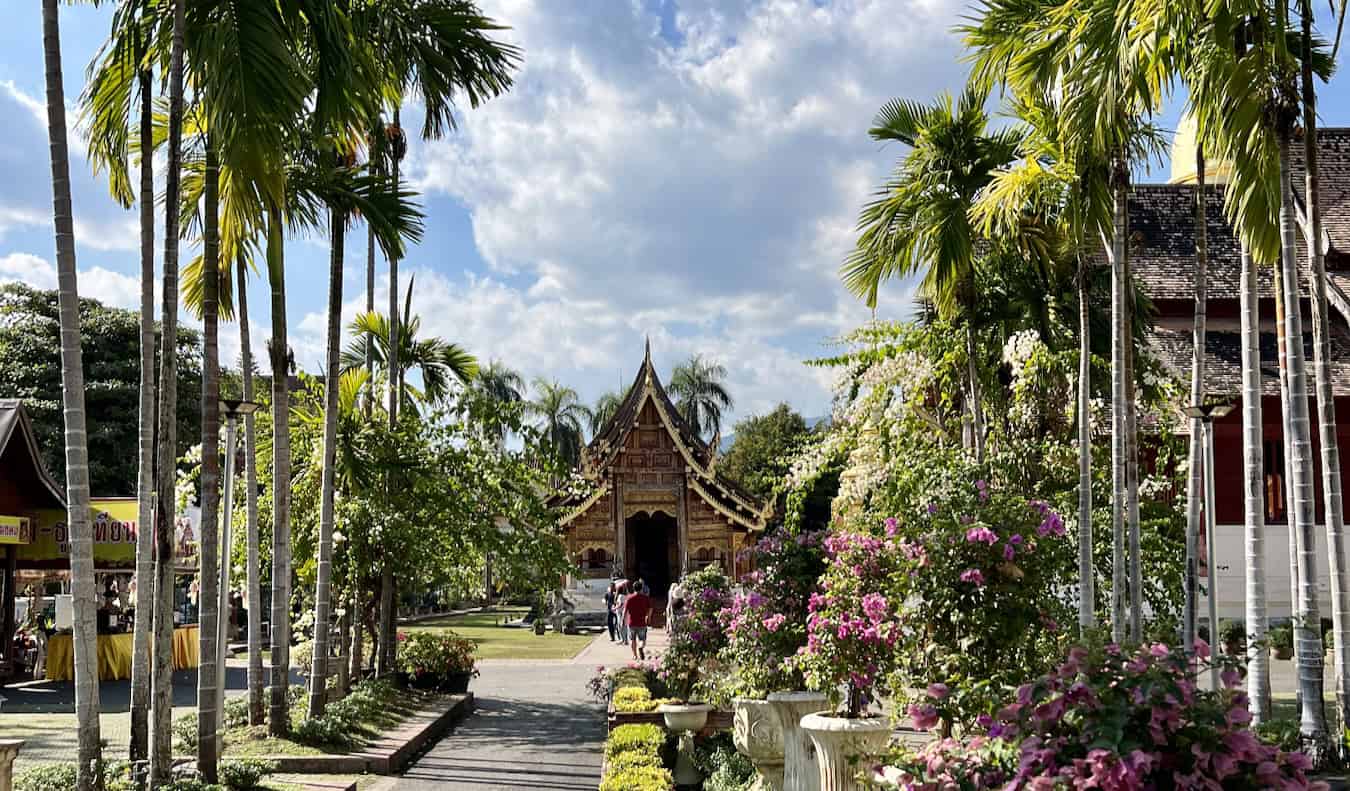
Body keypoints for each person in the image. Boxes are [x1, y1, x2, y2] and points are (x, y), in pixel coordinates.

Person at [625, 580, 653, 661]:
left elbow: (625, 610)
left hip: (631, 622)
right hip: (642, 622)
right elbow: (650, 608)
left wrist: (623, 620)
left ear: (633, 588)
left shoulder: (629, 598)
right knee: (642, 639)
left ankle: (634, 655)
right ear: (641, 588)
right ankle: (640, 647)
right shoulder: (645, 598)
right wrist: (648, 617)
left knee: (633, 639)